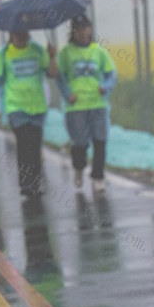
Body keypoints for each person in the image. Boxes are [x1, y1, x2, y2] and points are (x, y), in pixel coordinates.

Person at [0, 30, 58, 197]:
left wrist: (52, 57)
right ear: (11, 34)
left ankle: (34, 183)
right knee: (23, 143)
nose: (21, 36)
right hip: (16, 107)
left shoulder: (37, 50)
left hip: (37, 107)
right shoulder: (4, 54)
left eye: (24, 32)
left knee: (35, 147)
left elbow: (52, 74)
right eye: (17, 33)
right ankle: (25, 183)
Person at [57, 14, 116, 192]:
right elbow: (60, 77)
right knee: (80, 143)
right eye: (79, 30)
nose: (84, 33)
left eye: (86, 29)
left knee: (100, 141)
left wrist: (105, 86)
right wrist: (67, 94)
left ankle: (98, 177)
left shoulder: (99, 51)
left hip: (97, 104)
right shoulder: (66, 53)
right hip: (76, 106)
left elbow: (111, 74)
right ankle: (78, 167)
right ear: (73, 32)